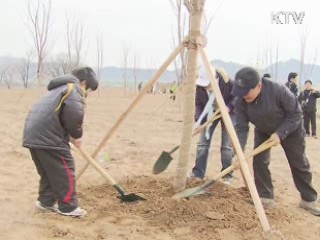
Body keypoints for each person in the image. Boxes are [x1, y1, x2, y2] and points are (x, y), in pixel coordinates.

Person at [232, 67, 320, 216]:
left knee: (299, 162)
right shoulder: (240, 100)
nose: (244, 96)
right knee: (260, 162)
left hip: (290, 129)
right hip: (263, 129)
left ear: (258, 85)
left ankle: (308, 200)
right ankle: (265, 197)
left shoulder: (278, 90)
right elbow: (241, 128)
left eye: (247, 92)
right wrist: (238, 152)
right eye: (241, 93)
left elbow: (296, 114)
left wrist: (280, 133)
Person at [23, 67, 99, 217]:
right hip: (48, 137)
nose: (87, 93)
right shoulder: (73, 88)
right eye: (88, 89)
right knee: (65, 171)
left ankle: (45, 202)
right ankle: (69, 207)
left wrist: (67, 135)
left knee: (49, 172)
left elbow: (58, 113)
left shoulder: (57, 89)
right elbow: (74, 113)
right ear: (83, 83)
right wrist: (77, 135)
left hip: (33, 135)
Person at [190, 67, 235, 184]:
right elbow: (199, 104)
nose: (205, 86)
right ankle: (198, 173)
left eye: (207, 83)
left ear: (214, 78)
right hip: (210, 112)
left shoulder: (227, 82)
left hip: (228, 112)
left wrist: (229, 107)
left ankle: (227, 176)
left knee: (227, 146)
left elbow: (237, 96)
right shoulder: (200, 86)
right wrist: (198, 120)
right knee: (202, 143)